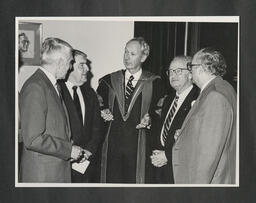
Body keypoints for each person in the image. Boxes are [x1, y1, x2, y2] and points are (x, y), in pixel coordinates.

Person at [97, 37, 164, 183]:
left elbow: (160, 111)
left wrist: (150, 118)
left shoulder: (155, 83)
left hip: (139, 147)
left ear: (143, 57)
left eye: (132, 54)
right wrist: (102, 111)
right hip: (111, 147)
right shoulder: (107, 81)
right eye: (125, 52)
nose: (127, 57)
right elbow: (97, 105)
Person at [19, 38, 85, 183]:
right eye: (70, 62)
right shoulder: (35, 87)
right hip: (43, 175)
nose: (70, 67)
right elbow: (33, 139)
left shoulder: (51, 85)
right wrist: (68, 150)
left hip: (54, 171)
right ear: (60, 62)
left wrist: (71, 146)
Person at [172, 48, 237, 184]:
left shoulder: (215, 96)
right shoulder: (221, 88)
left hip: (210, 181)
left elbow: (208, 154)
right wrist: (186, 135)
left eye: (191, 66)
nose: (190, 70)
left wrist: (196, 191)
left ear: (201, 69)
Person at [150, 56, 199, 183]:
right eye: (170, 71)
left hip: (182, 170)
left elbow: (195, 139)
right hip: (161, 170)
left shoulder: (199, 100)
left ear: (190, 74)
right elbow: (166, 129)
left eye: (178, 71)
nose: (173, 75)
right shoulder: (168, 99)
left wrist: (167, 155)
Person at [58, 49, 104, 182]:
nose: (87, 69)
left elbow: (97, 128)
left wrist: (88, 151)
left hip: (87, 164)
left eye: (86, 64)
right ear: (69, 66)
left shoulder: (90, 93)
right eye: (81, 65)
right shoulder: (56, 91)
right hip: (64, 163)